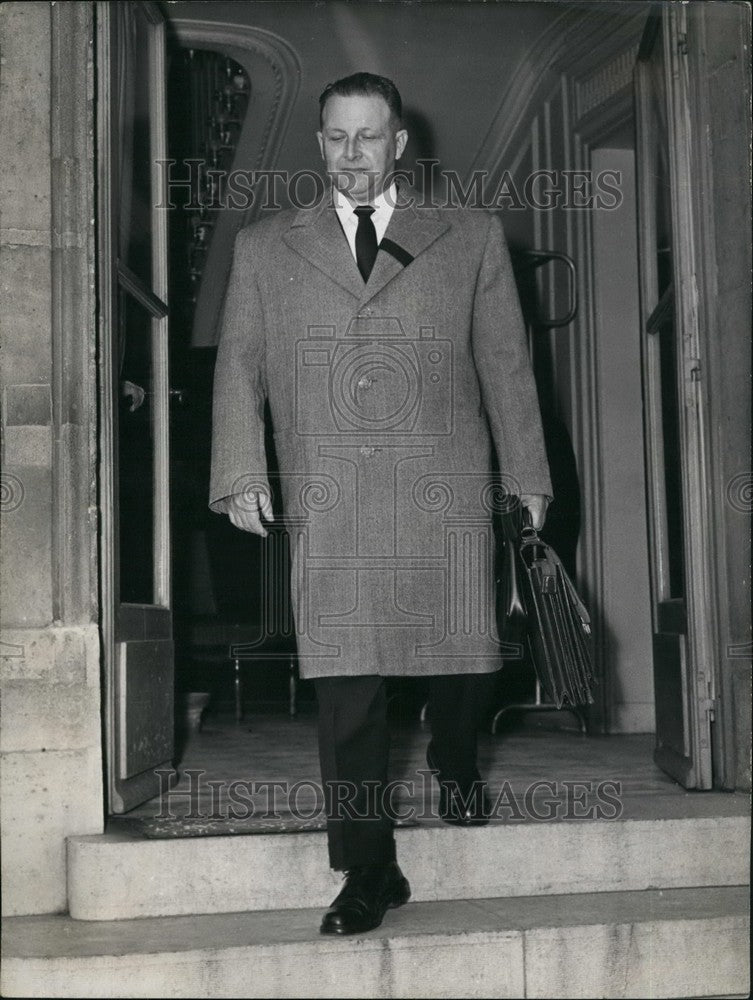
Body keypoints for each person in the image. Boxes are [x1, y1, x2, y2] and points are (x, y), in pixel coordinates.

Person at [209, 72, 551, 935]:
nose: (351, 154)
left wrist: (528, 478)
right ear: (318, 141)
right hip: (331, 488)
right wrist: (240, 469)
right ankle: (368, 867)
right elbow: (239, 365)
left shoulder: (469, 236)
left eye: (368, 137)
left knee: (463, 654)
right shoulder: (264, 246)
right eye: (335, 137)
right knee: (346, 681)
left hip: (442, 481)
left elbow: (506, 366)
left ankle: (457, 758)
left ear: (400, 143)